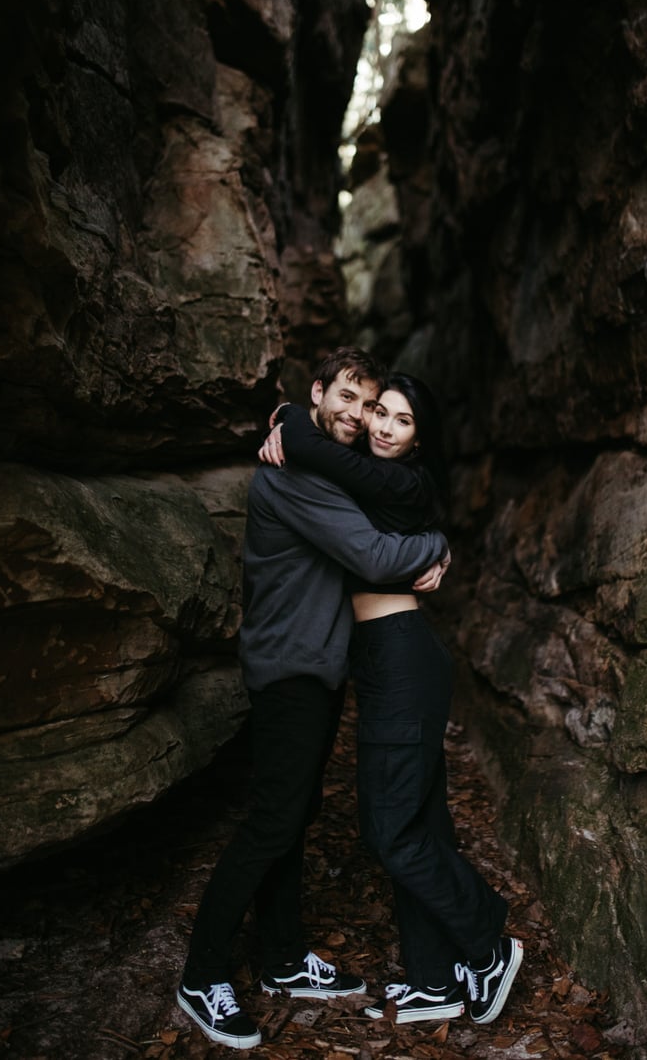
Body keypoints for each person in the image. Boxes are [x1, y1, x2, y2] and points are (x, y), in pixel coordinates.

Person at [177, 349, 450, 1050]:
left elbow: (377, 494)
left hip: (316, 666)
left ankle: (281, 957)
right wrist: (439, 543)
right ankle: (201, 973)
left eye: (370, 405)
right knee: (272, 821)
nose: (359, 418)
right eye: (349, 400)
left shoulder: (321, 461)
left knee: (293, 815)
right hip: (290, 669)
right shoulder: (296, 474)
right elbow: (375, 556)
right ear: (318, 393)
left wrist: (294, 422)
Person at [260, 373, 523, 1027]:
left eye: (401, 421)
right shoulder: (363, 471)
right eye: (379, 411)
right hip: (388, 659)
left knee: (390, 831)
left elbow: (313, 448)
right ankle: (434, 980)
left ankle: (487, 940)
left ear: (417, 439)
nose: (382, 426)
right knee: (423, 824)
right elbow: (323, 451)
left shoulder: (403, 481)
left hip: (401, 657)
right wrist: (292, 416)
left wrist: (290, 418)